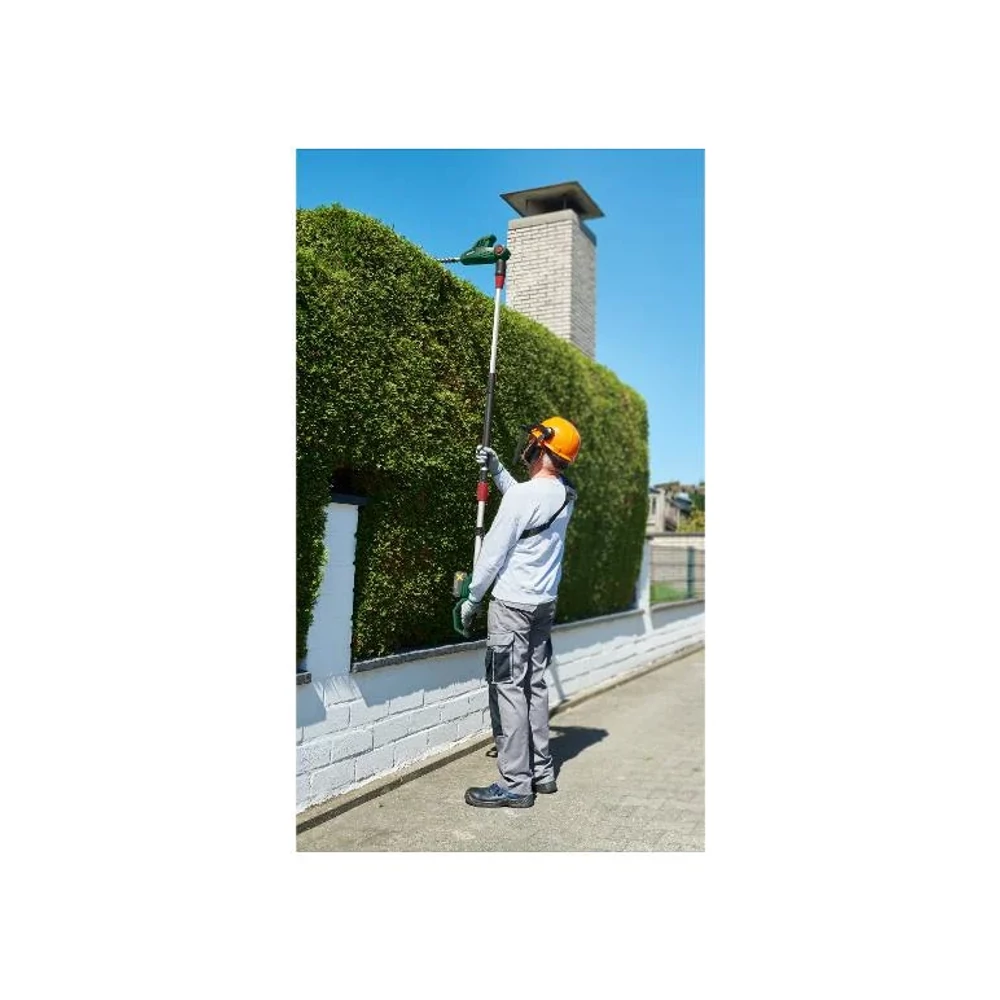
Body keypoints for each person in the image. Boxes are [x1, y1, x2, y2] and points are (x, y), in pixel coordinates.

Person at [459, 416, 581, 808]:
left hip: (511, 606)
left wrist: (472, 599)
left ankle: (515, 783)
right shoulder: (565, 496)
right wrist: (498, 471)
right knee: (534, 685)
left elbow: (492, 554)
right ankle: (542, 772)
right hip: (544, 605)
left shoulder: (524, 498)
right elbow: (528, 502)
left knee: (509, 689)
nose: (527, 445)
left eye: (533, 441)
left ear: (542, 448)